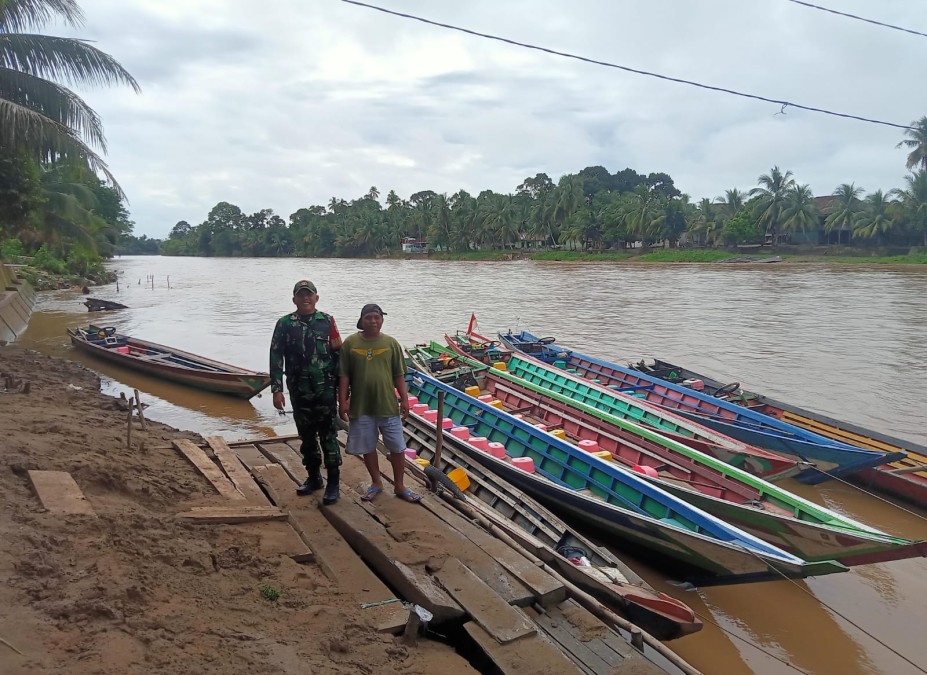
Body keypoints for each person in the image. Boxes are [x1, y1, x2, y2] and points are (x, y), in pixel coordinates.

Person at [338, 303, 421, 503]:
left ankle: (400, 485)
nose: (373, 321)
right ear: (362, 320)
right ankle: (376, 483)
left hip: (387, 405)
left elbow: (398, 375)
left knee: (397, 447)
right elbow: (344, 376)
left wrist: (405, 400)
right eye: (369, 318)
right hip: (361, 405)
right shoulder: (350, 344)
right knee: (368, 446)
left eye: (377, 317)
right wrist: (342, 402)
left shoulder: (391, 343)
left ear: (382, 319)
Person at [269, 280, 342, 503]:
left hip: (326, 392)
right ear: (294, 299)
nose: (305, 298)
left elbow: (339, 356)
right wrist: (276, 389)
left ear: (316, 298)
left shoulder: (327, 321)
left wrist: (343, 391)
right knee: (307, 437)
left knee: (329, 436)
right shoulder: (284, 324)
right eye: (301, 295)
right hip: (299, 392)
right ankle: (314, 478)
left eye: (309, 294)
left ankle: (333, 483)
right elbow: (275, 356)